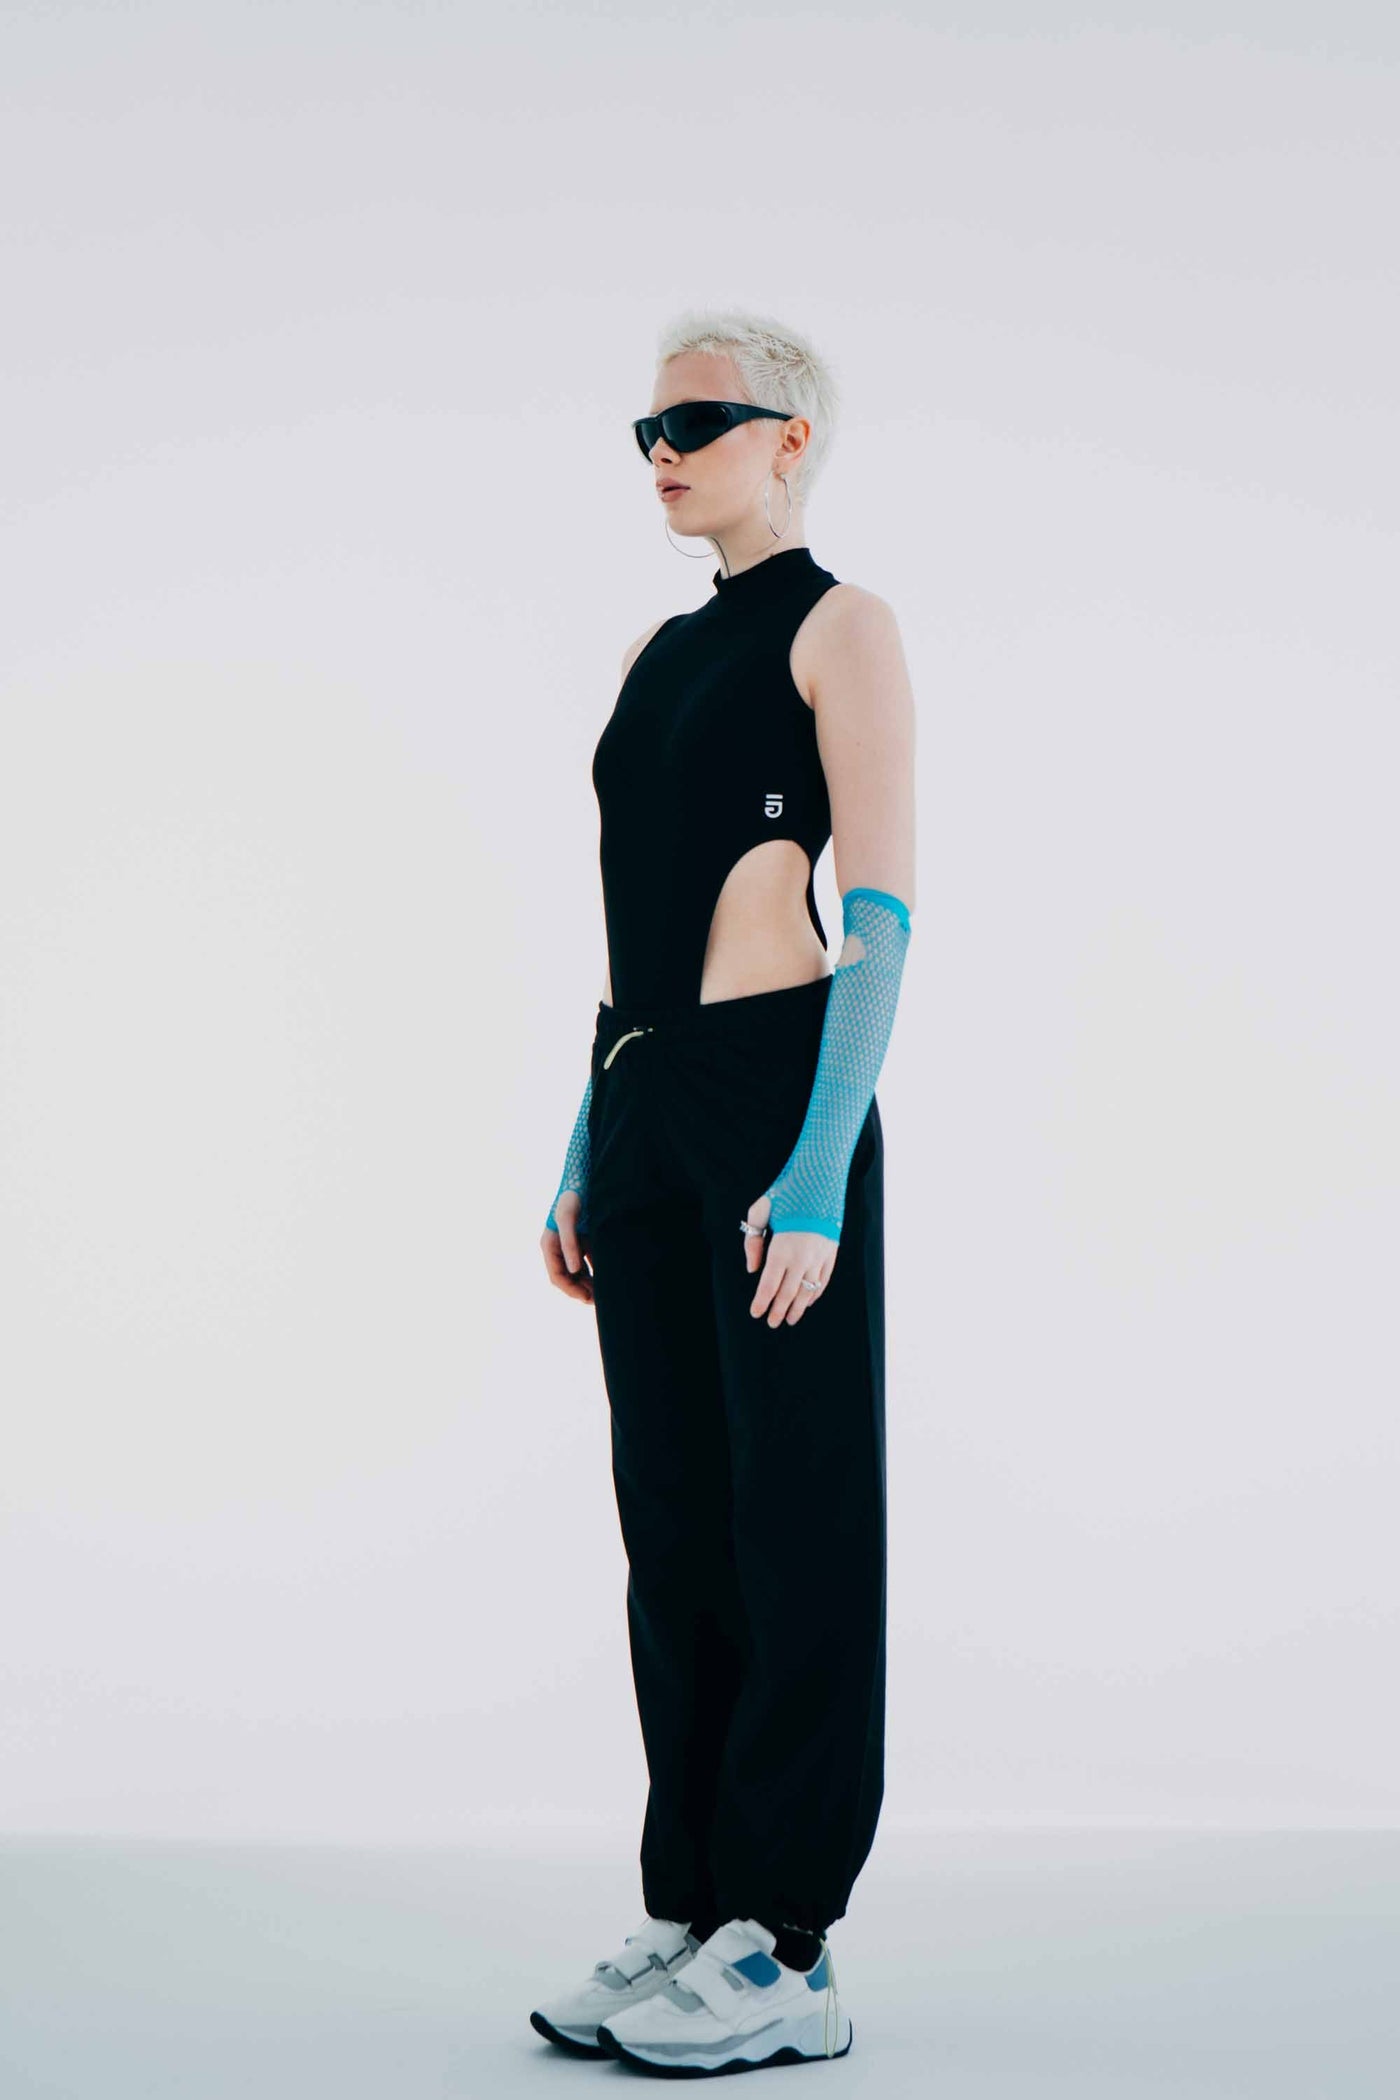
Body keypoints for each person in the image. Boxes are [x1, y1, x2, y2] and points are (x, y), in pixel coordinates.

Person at [530, 309, 916, 2077]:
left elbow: (882, 915)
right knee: (674, 1519)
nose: (663, 453)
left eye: (697, 422)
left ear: (792, 439)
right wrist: (584, 1140)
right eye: (648, 430)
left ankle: (791, 1944)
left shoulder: (845, 627)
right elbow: (630, 916)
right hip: (646, 1096)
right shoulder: (651, 653)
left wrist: (820, 1164)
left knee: (797, 1515)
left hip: (778, 1098)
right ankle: (693, 1905)